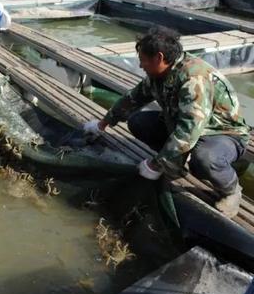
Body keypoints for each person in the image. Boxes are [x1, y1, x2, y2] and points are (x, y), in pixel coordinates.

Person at [83, 27, 250, 218]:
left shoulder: (193, 78)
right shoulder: (158, 75)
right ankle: (176, 162)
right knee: (138, 122)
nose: (140, 65)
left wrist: (156, 164)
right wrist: (102, 124)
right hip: (183, 125)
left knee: (204, 158)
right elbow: (133, 99)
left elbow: (188, 131)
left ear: (159, 58)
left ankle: (232, 190)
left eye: (143, 60)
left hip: (222, 133)